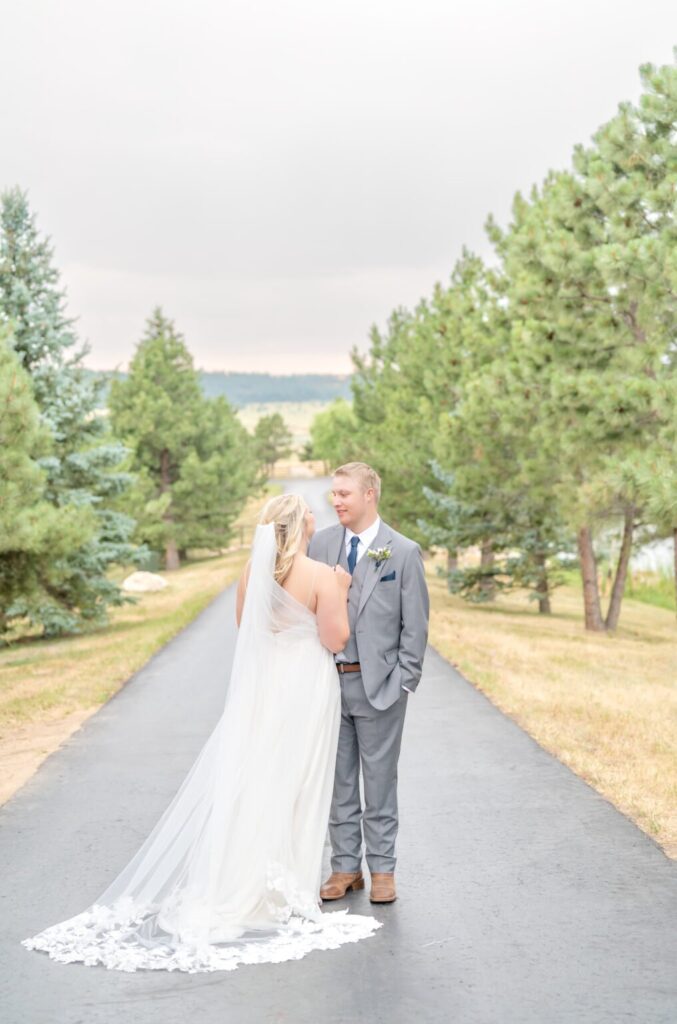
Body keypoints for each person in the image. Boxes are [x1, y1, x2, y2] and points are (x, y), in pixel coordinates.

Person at [22, 494, 382, 973]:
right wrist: (342, 585)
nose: (319, 514)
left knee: (256, 782)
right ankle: (289, 891)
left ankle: (247, 882)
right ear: (300, 526)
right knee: (300, 783)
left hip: (265, 689)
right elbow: (334, 639)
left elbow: (246, 628)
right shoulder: (321, 575)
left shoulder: (252, 574)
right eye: (311, 513)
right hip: (306, 689)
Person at [307, 462, 429, 905]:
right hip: (327, 685)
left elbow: (414, 626)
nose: (336, 501)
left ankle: (382, 870)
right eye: (333, 495)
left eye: (344, 494)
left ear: (369, 495)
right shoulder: (319, 545)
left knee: (379, 781)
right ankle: (344, 868)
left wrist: (404, 682)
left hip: (380, 688)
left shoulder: (402, 551)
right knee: (337, 781)